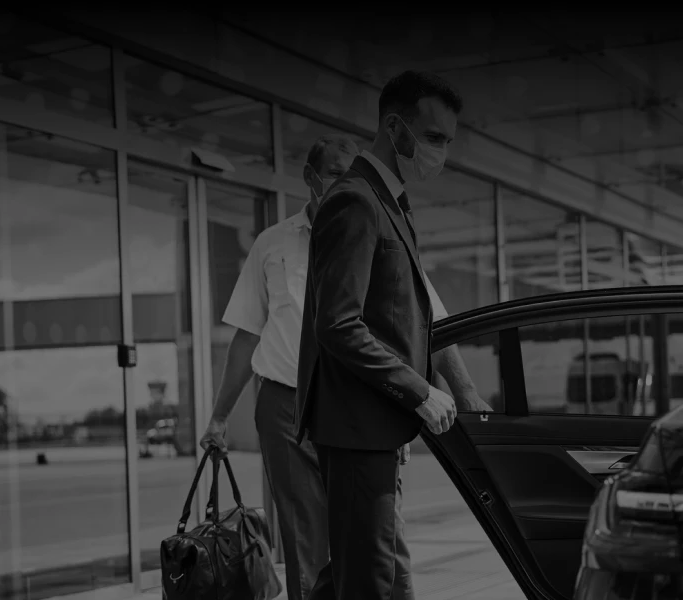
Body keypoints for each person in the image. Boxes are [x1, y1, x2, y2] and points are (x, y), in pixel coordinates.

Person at [204, 131, 485, 600]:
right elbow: (246, 335)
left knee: (383, 538)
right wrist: (218, 416)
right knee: (306, 537)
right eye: (335, 172)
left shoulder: (381, 223)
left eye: (352, 170)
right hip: (286, 406)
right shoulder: (272, 245)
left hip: (363, 403)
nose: (345, 180)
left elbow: (429, 322)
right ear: (311, 178)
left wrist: (466, 394)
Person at [295, 69, 469, 600]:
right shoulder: (355, 201)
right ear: (395, 129)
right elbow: (338, 325)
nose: (440, 152)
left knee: (359, 573)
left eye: (446, 141)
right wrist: (418, 391)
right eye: (433, 138)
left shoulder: (389, 202)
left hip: (373, 425)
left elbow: (401, 315)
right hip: (354, 428)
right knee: (366, 580)